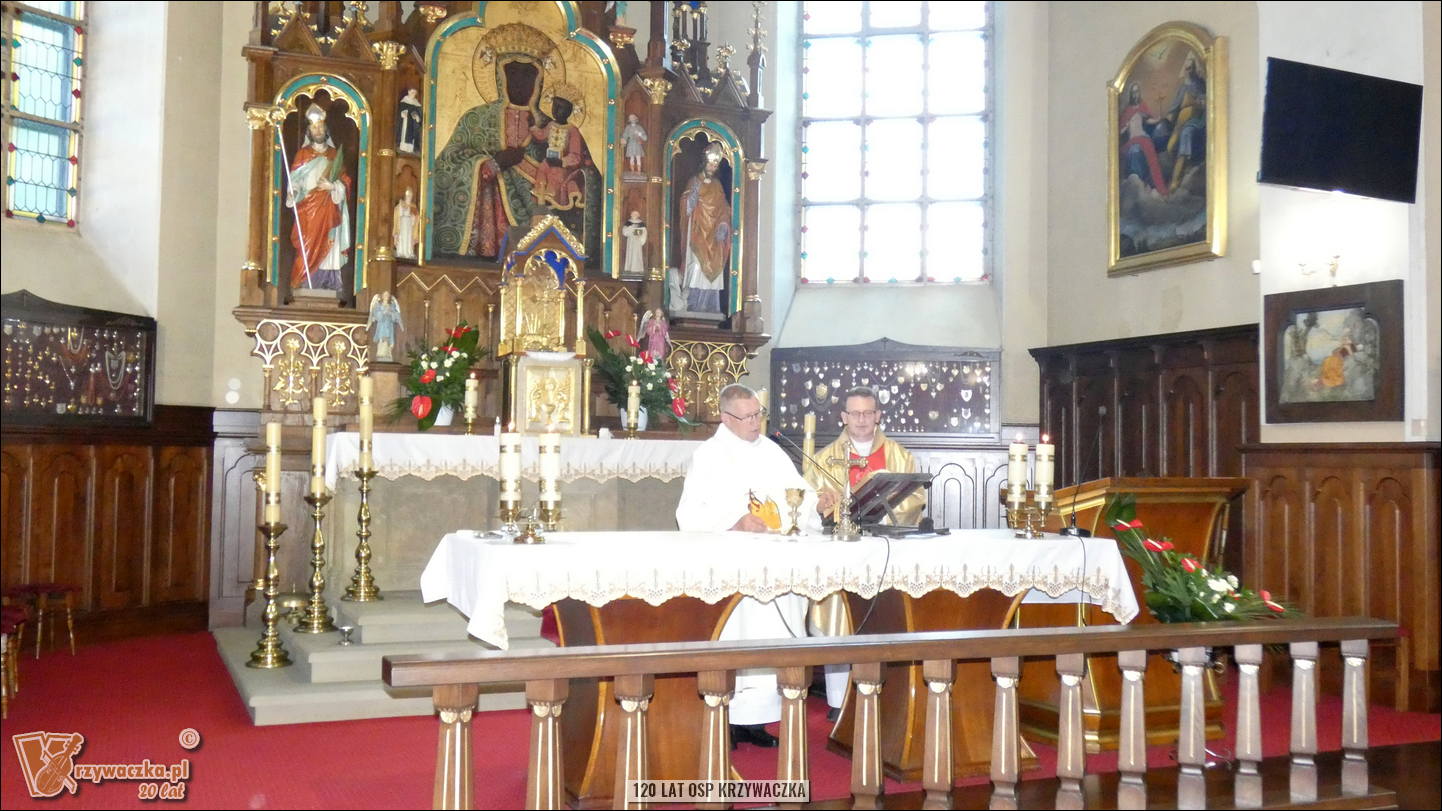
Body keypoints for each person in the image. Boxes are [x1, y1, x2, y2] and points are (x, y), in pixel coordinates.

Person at [675, 384, 825, 747]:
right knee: (737, 636)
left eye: (759, 414)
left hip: (774, 563)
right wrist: (735, 521)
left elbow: (797, 494)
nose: (756, 423)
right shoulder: (708, 456)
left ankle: (755, 720)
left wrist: (814, 505)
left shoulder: (771, 451)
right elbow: (689, 513)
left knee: (769, 637)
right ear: (726, 418)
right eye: (747, 417)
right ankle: (725, 716)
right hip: (732, 566)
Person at [804, 385, 926, 720]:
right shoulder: (825, 458)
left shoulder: (899, 456)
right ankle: (838, 700)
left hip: (884, 552)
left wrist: (881, 512)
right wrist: (820, 505)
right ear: (843, 417)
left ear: (878, 415)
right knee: (839, 618)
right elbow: (808, 500)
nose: (861, 419)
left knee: (885, 617)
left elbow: (915, 498)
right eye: (855, 413)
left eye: (868, 412)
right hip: (841, 555)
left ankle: (887, 694)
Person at [431, 48, 544, 260]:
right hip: (487, 218)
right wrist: (490, 164)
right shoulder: (477, 118)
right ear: (500, 76)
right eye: (513, 73)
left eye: (528, 74)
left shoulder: (549, 126)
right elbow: (447, 164)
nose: (520, 81)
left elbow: (581, 173)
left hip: (536, 216)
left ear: (539, 80)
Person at [287, 103, 352, 291]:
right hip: (308, 209)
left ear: (326, 129)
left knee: (330, 245)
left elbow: (345, 181)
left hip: (329, 208)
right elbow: (295, 180)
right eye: (314, 127)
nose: (318, 130)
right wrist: (294, 191)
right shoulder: (303, 154)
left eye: (321, 127)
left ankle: (328, 282)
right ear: (309, 131)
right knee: (307, 245)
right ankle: (306, 280)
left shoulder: (334, 155)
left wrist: (333, 187)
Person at [679, 142, 732, 315]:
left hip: (714, 236)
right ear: (704, 163)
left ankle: (710, 307)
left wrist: (723, 225)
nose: (712, 168)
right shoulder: (694, 181)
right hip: (697, 231)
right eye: (710, 164)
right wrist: (692, 198)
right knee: (696, 266)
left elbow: (724, 208)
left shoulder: (717, 185)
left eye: (715, 165)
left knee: (714, 271)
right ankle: (693, 304)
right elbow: (685, 206)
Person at [1117, 82, 1168, 196]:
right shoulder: (1127, 111)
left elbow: (1148, 120)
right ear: (1131, 94)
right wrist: (1126, 125)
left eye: (1137, 91)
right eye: (1133, 92)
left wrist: (1158, 119)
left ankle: (1159, 188)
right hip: (1133, 139)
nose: (1136, 94)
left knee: (1153, 159)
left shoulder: (1142, 106)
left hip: (1143, 137)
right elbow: (1120, 131)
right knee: (1134, 152)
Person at [367, 290, 404, 363]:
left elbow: (396, 316)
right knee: (382, 339)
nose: (386, 296)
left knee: (388, 340)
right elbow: (376, 315)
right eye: (385, 295)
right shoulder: (378, 305)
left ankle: (388, 354)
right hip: (382, 326)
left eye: (387, 295)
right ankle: (381, 354)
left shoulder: (392, 306)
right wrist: (383, 312)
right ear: (382, 296)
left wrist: (390, 313)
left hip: (389, 325)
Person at [392, 187, 419, 260]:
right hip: (402, 224)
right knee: (402, 237)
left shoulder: (413, 206)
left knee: (408, 237)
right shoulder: (400, 205)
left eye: (410, 195)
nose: (409, 197)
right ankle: (401, 252)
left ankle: (408, 252)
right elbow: (397, 214)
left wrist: (414, 217)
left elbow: (416, 216)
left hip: (409, 224)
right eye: (408, 195)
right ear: (405, 196)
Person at [621, 211, 647, 277]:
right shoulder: (628, 223)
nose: (634, 215)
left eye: (636, 214)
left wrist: (641, 240)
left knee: (637, 254)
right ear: (631, 215)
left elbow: (644, 232)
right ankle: (629, 268)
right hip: (630, 241)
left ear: (638, 215)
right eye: (633, 214)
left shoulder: (641, 223)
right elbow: (625, 232)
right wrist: (631, 228)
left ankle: (637, 269)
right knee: (630, 254)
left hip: (637, 241)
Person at [396, 87, 422, 155]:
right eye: (412, 92)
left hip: (413, 122)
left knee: (412, 134)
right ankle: (403, 148)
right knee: (405, 133)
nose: (413, 94)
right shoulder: (405, 101)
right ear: (409, 92)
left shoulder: (416, 102)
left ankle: (410, 149)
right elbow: (401, 110)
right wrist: (403, 113)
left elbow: (419, 112)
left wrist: (417, 116)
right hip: (406, 120)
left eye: (414, 93)